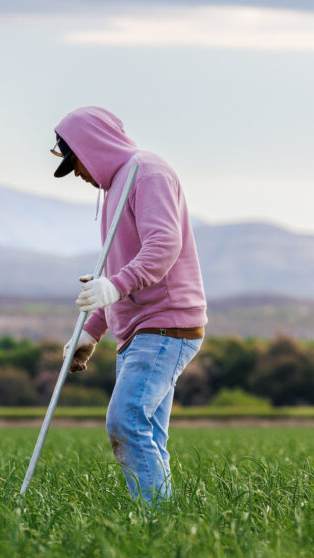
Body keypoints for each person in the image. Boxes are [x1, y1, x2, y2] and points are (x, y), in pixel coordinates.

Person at [52, 106, 207, 504]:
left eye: (77, 163)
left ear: (93, 147)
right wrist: (91, 331)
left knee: (126, 421)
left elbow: (162, 246)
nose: (80, 175)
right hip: (140, 330)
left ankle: (153, 521)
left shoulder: (147, 172)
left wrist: (115, 286)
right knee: (148, 433)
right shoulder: (116, 189)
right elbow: (117, 270)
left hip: (165, 324)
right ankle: (163, 520)